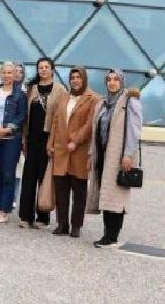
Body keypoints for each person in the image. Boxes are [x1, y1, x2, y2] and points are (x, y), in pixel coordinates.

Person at [88, 69, 143, 249]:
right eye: (109, 79)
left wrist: (128, 154)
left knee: (116, 195)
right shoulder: (103, 103)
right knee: (106, 194)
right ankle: (107, 234)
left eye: (115, 79)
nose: (111, 82)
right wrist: (91, 154)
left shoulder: (129, 101)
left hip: (118, 156)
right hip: (103, 154)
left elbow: (134, 130)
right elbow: (95, 131)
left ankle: (112, 236)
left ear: (122, 81)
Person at [48, 66, 98, 238]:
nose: (75, 80)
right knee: (61, 188)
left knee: (79, 189)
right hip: (61, 149)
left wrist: (75, 141)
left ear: (84, 79)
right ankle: (62, 224)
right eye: (73, 77)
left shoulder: (93, 99)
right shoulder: (64, 97)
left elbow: (89, 124)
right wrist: (51, 143)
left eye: (78, 77)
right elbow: (55, 121)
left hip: (79, 151)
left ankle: (76, 225)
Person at [18, 57, 66, 228]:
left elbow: (61, 118)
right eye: (40, 67)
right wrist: (24, 138)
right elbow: (26, 117)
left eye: (46, 67)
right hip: (32, 138)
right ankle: (25, 216)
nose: (43, 70)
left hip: (48, 139)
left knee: (44, 177)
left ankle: (43, 217)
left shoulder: (60, 90)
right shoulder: (32, 88)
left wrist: (55, 142)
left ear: (52, 69)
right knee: (28, 177)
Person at [0, 61, 27, 225]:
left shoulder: (19, 95)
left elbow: (21, 115)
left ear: (14, 74)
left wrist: (8, 129)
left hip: (10, 140)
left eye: (10, 72)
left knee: (8, 175)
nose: (7, 75)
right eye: (5, 72)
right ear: (1, 74)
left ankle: (3, 210)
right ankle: (0, 206)